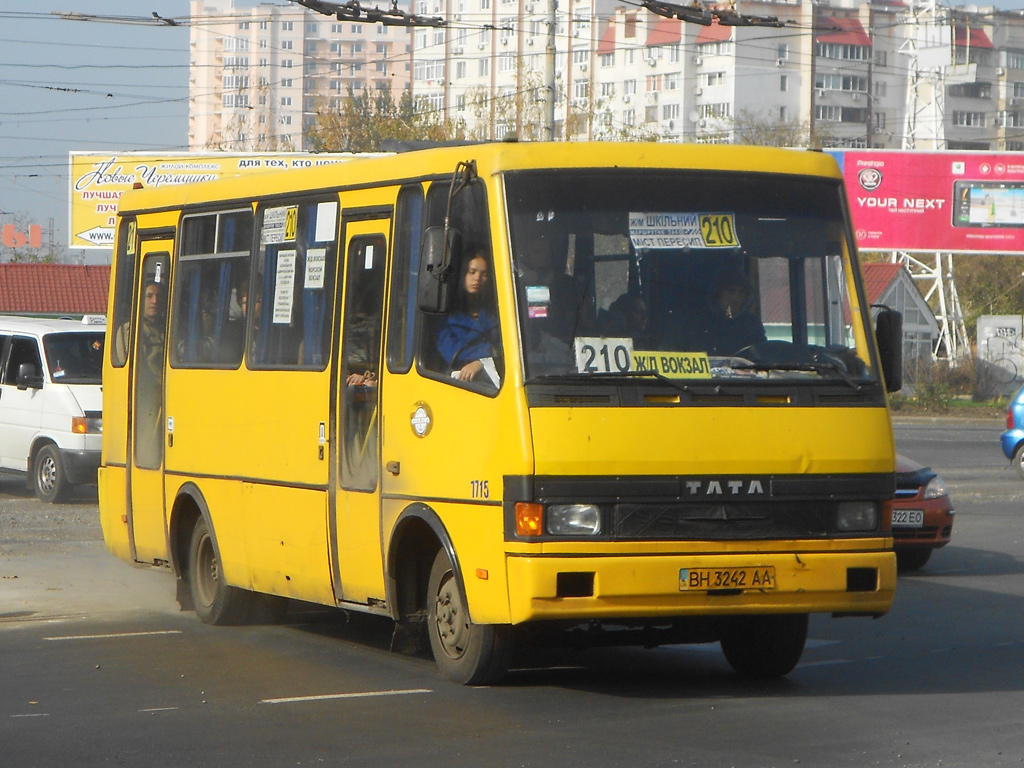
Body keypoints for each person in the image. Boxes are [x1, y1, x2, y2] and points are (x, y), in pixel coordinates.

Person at [436, 251, 501, 384]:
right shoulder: (444, 313)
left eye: (484, 274)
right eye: (472, 272)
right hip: (459, 382)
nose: (477, 278)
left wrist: (480, 363)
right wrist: (489, 355)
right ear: (462, 274)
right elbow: (452, 351)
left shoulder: (496, 311)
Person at [705, 268, 766, 356]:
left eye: (741, 292)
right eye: (731, 291)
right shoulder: (703, 322)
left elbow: (761, 353)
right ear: (719, 293)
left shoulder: (751, 322)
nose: (736, 298)